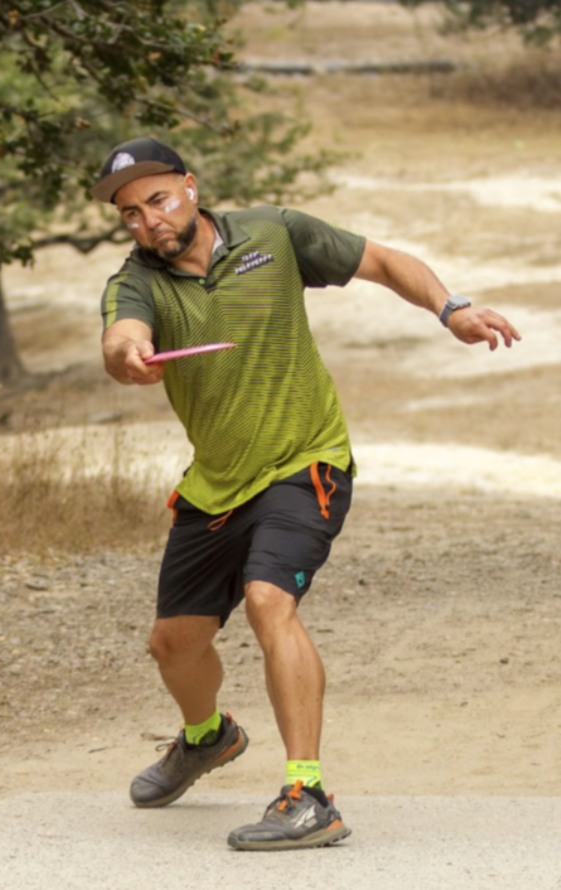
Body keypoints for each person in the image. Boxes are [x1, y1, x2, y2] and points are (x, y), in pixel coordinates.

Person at [92, 137, 521, 852]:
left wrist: (451, 309)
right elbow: (120, 334)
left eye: (157, 200)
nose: (148, 222)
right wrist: (126, 354)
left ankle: (307, 793)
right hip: (215, 485)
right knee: (174, 646)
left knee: (268, 601)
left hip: (304, 460)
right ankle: (206, 738)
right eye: (130, 214)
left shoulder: (274, 233)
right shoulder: (135, 280)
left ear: (191, 187)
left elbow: (382, 261)